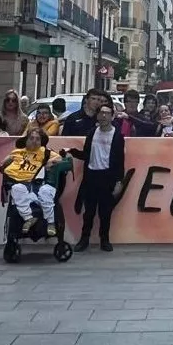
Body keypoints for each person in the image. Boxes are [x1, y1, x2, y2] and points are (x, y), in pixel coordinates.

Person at [67, 103, 125, 252]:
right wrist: (72, 152)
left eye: (107, 113)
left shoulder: (117, 135)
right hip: (91, 175)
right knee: (89, 212)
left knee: (105, 212)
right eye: (101, 113)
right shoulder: (92, 132)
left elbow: (120, 160)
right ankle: (84, 239)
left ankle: (104, 239)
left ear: (112, 116)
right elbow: (86, 154)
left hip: (107, 177)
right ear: (98, 116)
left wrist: (119, 181)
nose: (104, 116)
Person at [2, 129, 64, 239]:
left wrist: (49, 163)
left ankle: (51, 223)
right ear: (26, 140)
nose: (34, 141)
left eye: (37, 139)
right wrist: (6, 163)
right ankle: (29, 218)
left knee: (46, 192)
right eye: (31, 138)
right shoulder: (17, 152)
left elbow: (60, 159)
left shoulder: (46, 152)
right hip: (21, 184)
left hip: (38, 185)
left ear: (41, 142)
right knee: (16, 188)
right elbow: (2, 164)